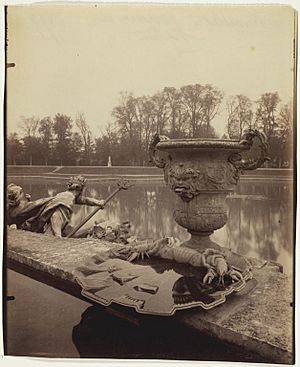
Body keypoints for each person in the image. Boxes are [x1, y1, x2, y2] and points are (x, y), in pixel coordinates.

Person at [7, 176, 106, 238]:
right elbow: (56, 216)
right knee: (60, 233)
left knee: (70, 230)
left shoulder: (67, 195)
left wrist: (98, 202)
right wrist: (58, 237)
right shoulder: (67, 199)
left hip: (49, 224)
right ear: (81, 189)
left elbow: (83, 200)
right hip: (50, 229)